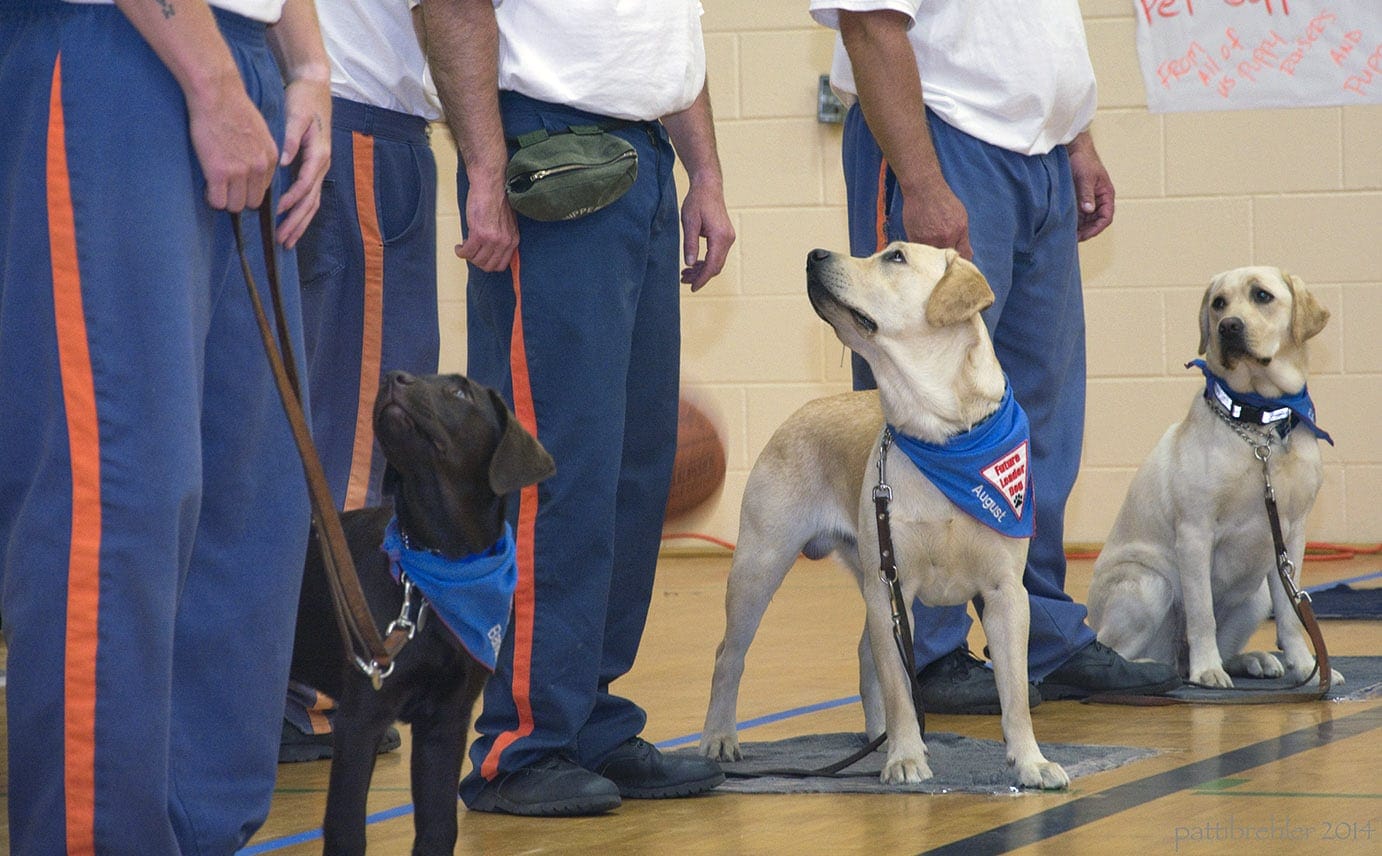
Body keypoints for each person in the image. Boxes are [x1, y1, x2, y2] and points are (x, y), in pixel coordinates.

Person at [0, 0, 329, 852]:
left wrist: (310, 71)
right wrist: (213, 81)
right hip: (123, 51)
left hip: (240, 55)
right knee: (118, 493)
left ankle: (200, 832)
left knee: (246, 499)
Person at [808, 0, 1180, 713]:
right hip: (944, 138)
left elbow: (1035, 32)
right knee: (928, 406)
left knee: (1037, 410)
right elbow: (869, 21)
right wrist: (919, 180)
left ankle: (1037, 634)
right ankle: (929, 648)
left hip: (1038, 153)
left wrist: (1075, 140)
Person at [422, 0, 735, 817]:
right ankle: (520, 740)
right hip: (550, 149)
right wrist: (486, 168)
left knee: (633, 466)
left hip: (644, 153)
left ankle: (588, 715)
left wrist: (705, 174)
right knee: (553, 465)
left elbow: (675, 36)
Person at [279, 0, 441, 762]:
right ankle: (314, 690)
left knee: (337, 427)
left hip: (356, 123)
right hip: (363, 126)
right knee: (359, 440)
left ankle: (291, 680)